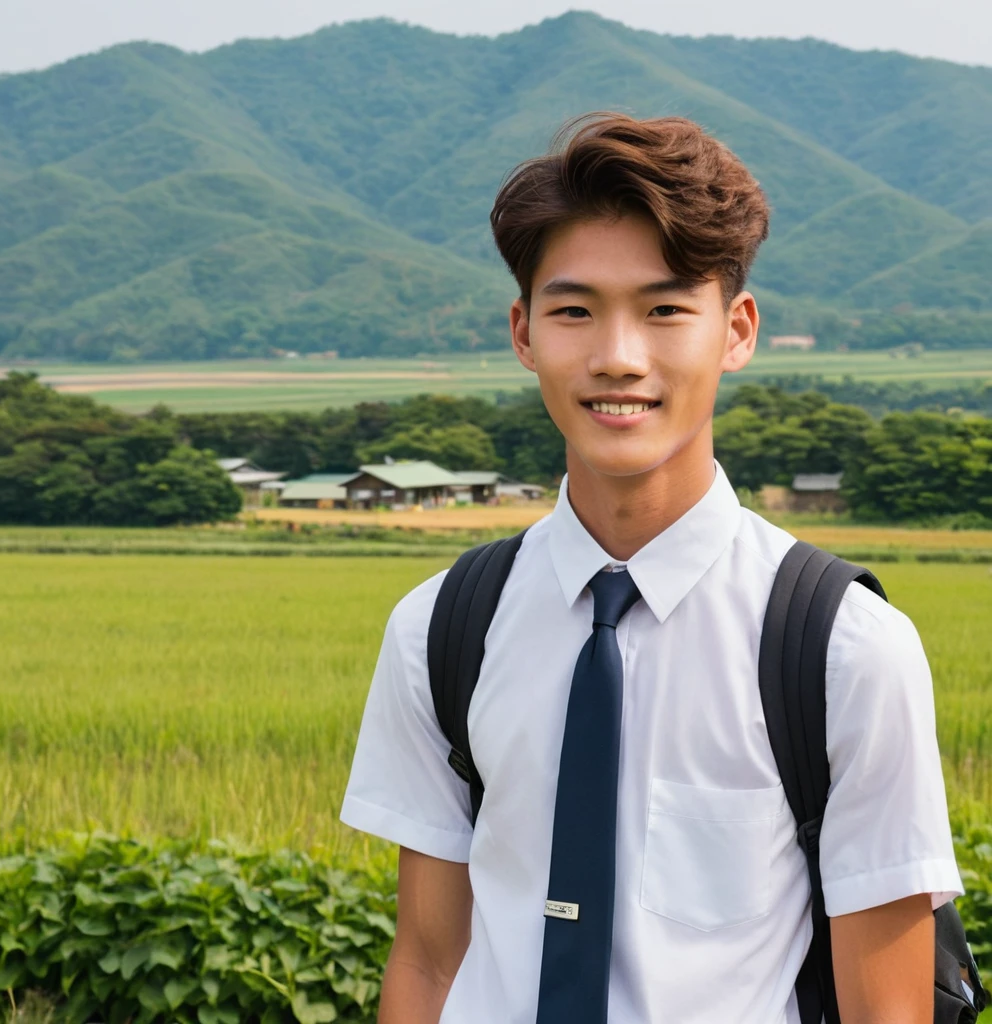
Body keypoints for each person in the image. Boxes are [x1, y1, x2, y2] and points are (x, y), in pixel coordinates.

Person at [339, 114, 962, 1023]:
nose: (618, 357)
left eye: (666, 309)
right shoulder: (440, 628)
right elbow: (431, 965)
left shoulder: (843, 649)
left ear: (736, 331)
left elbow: (889, 1012)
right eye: (574, 310)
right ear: (523, 332)